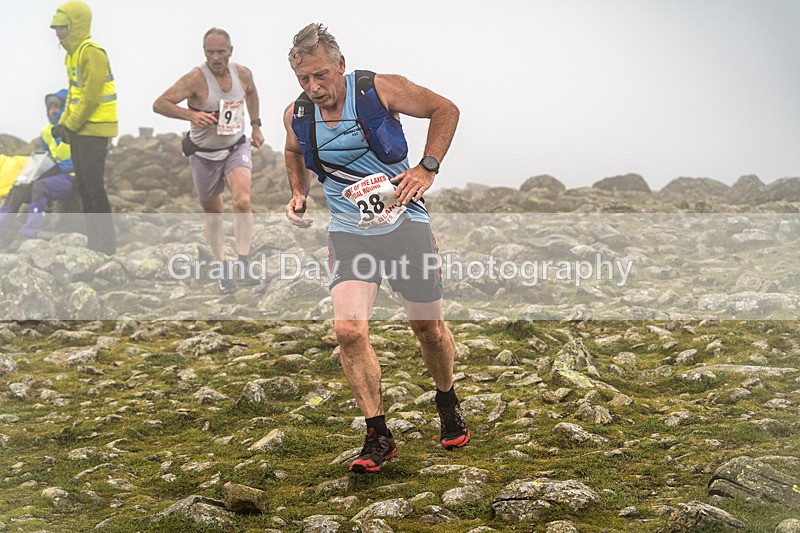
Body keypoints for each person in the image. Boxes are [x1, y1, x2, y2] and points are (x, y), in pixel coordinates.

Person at [283, 23, 468, 474]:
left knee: (428, 330)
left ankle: (447, 401)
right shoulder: (297, 113)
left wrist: (427, 167)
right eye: (304, 79)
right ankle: (378, 435)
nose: (314, 87)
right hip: (350, 234)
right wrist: (299, 192)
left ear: (340, 65)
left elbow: (445, 109)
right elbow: (292, 151)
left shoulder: (378, 89)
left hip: (405, 226)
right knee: (348, 331)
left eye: (321, 75)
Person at [153, 28, 265, 294]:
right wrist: (190, 115)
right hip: (203, 154)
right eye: (210, 52)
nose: (215, 57)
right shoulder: (195, 79)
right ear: (204, 52)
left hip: (236, 146)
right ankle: (222, 268)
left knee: (242, 201)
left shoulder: (243, 74)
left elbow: (251, 93)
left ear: (230, 51)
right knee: (214, 215)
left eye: (220, 52)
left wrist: (256, 126)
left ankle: (244, 261)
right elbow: (160, 104)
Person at [50, 0, 117, 257]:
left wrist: (71, 125)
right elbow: (73, 95)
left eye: (62, 27)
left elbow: (91, 96)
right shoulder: (73, 54)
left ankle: (106, 247)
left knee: (94, 188)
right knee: (84, 188)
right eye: (56, 28)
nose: (58, 33)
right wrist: (63, 124)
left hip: (95, 131)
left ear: (76, 25)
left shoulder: (92, 53)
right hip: (81, 131)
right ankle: (95, 244)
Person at [0, 90, 75, 238]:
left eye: (57, 107)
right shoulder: (46, 132)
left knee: (40, 186)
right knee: (19, 187)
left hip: (73, 177)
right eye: (49, 107)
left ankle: (30, 232)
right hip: (55, 175)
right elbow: (47, 156)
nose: (52, 111)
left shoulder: (75, 129)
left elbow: (84, 160)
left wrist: (59, 167)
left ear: (66, 108)